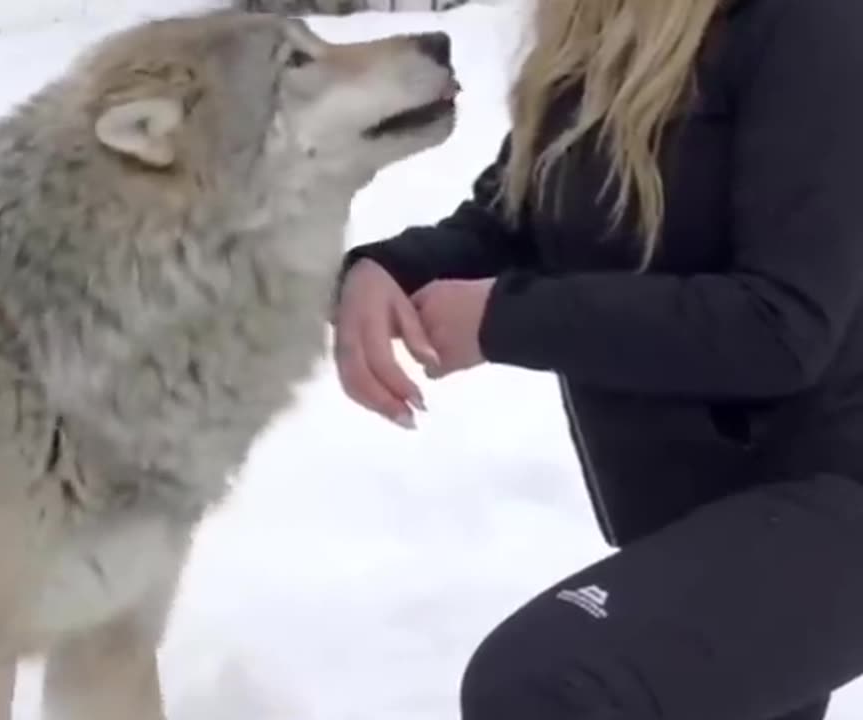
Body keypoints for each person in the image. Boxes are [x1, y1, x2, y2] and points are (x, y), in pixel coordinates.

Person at [331, 0, 863, 717]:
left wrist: (506, 319)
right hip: (705, 517)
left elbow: (784, 324)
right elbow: (517, 214)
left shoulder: (810, 25)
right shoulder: (596, 22)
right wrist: (390, 268)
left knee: (547, 685)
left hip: (832, 493)